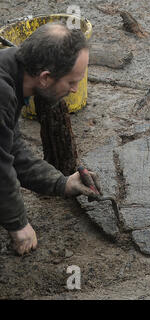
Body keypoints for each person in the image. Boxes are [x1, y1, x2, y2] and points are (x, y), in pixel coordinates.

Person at [0, 22, 102, 255]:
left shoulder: (12, 69)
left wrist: (62, 183)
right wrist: (17, 223)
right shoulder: (2, 93)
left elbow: (11, 149)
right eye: (71, 81)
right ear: (45, 78)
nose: (76, 89)